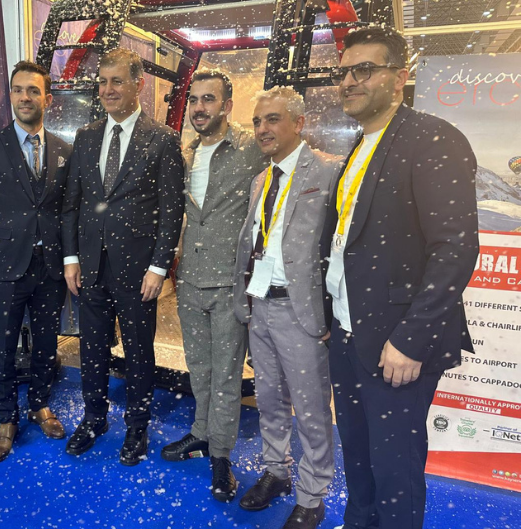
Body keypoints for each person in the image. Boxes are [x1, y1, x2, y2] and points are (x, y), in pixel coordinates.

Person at [322, 27, 479, 529]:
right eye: (344, 72)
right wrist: (330, 316)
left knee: (395, 471)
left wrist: (411, 339)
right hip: (348, 334)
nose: (349, 81)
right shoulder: (361, 145)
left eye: (364, 70)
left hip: (397, 343)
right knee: (357, 454)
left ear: (399, 77)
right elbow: (347, 241)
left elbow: (455, 248)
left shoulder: (433, 138)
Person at [61, 48, 185, 465]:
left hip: (139, 271)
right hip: (90, 268)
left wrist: (159, 266)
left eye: (117, 81)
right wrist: (71, 258)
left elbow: (171, 210)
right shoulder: (86, 136)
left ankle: (137, 427)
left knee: (138, 351)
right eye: (102, 81)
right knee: (92, 348)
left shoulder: (163, 139)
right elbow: (72, 204)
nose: (108, 89)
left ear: (138, 84)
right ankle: (94, 419)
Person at [232, 86, 341, 529]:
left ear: (299, 123)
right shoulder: (261, 180)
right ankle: (276, 472)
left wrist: (332, 311)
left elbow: (342, 246)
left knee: (311, 408)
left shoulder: (329, 171)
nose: (263, 129)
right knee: (270, 400)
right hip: (260, 304)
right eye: (258, 121)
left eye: (273, 119)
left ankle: (312, 496)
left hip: (303, 312)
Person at [160, 69, 264, 500]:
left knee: (225, 374)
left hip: (228, 283)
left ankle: (221, 456)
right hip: (190, 280)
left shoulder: (251, 149)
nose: (199, 108)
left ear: (227, 105)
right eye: (194, 100)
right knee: (199, 367)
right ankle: (201, 433)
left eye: (209, 99)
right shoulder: (185, 154)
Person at [0, 61, 72, 462]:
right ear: (10, 95)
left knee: (46, 344)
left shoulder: (63, 150)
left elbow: (67, 211)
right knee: (3, 347)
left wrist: (70, 259)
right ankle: (6, 418)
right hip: (5, 266)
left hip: (50, 268)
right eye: (17, 90)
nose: (24, 97)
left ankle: (40, 404)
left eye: (33, 90)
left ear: (48, 99)